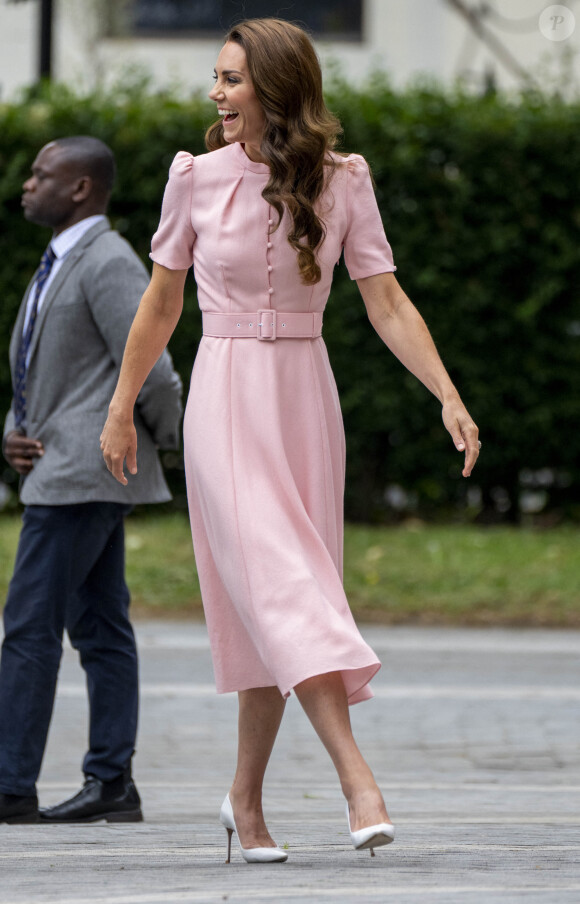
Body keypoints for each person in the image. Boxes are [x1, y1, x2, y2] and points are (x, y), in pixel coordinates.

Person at [101, 19, 479, 861]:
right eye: (216, 78)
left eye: (232, 80)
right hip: (226, 398)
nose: (215, 94)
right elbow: (162, 305)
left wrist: (447, 392)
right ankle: (358, 781)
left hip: (306, 399)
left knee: (273, 606)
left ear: (276, 90)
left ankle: (244, 799)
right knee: (285, 589)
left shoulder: (346, 181)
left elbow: (383, 298)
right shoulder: (194, 179)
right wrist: (123, 403)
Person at [0, 136, 183, 825]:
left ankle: (10, 785)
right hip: (65, 468)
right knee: (102, 627)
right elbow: (45, 373)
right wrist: (12, 435)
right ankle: (112, 783)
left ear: (79, 188)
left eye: (40, 174)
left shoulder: (107, 262)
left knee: (28, 629)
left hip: (80, 476)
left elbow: (156, 370)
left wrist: (166, 441)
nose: (26, 184)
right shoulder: (58, 260)